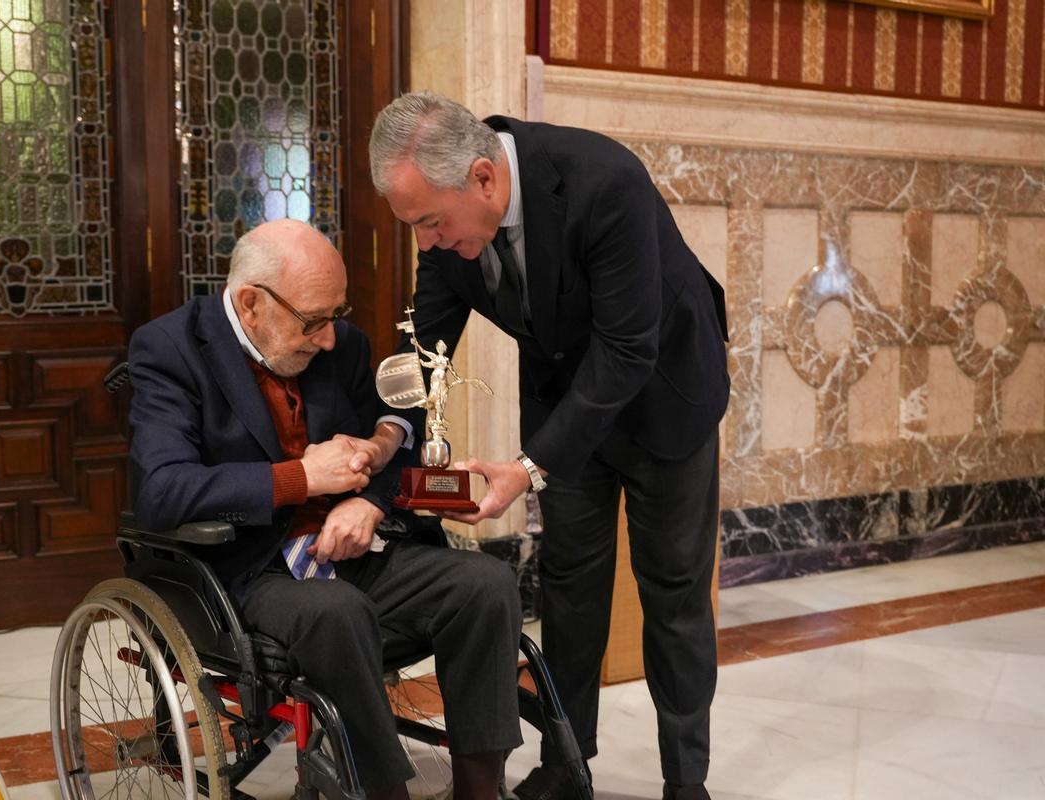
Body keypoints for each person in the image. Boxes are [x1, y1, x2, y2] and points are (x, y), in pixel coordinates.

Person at [369, 93, 730, 800]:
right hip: (567, 402)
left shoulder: (603, 180)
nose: (425, 243)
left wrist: (526, 469)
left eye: (430, 223)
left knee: (674, 588)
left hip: (666, 397)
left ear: (483, 179)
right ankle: (568, 762)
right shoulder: (444, 232)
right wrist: (387, 433)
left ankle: (687, 780)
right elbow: (426, 350)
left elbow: (628, 349)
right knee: (568, 585)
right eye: (412, 226)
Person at [127, 218, 523, 800]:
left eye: (337, 315)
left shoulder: (344, 343)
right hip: (245, 568)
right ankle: (379, 791)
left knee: (486, 583)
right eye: (314, 321)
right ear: (251, 304)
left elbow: (396, 434)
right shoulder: (170, 349)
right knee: (335, 614)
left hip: (352, 547)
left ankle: (478, 789)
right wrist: (299, 478)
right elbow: (162, 490)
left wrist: (367, 497)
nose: (331, 338)